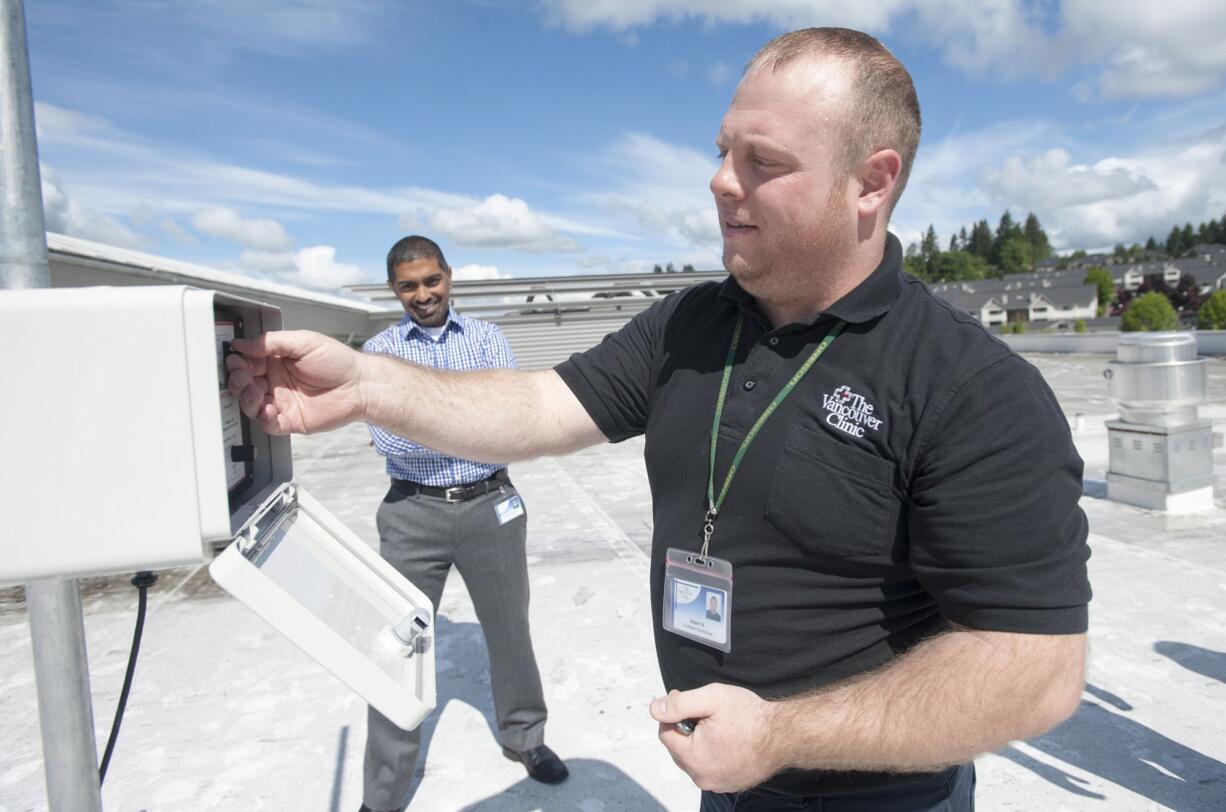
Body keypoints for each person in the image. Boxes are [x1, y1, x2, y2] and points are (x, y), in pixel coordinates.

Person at [227, 28, 1089, 811]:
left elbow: (1036, 669)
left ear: (872, 181)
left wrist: (784, 735)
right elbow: (536, 405)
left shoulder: (970, 388)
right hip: (724, 780)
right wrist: (369, 385)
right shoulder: (688, 324)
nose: (721, 182)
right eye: (722, 151)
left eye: (763, 161)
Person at [356, 236, 567, 812]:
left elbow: (508, 421)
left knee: (509, 630)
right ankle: (384, 792)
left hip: (488, 507)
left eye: (431, 280)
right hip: (412, 513)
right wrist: (467, 419)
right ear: (393, 288)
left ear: (449, 276)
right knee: (397, 648)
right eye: (408, 285)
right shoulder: (378, 352)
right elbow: (389, 435)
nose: (422, 295)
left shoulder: (487, 339)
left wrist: (435, 416)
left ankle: (526, 738)